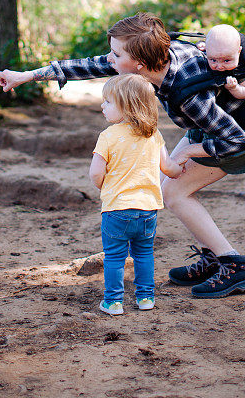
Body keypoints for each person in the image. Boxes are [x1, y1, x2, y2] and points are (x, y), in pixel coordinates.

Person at [0, 13, 245, 299]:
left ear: (139, 64)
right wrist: (28, 76)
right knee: (167, 187)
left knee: (175, 193)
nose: (109, 58)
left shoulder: (188, 95)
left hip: (239, 132)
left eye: (116, 54)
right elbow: (94, 64)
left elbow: (235, 141)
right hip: (209, 125)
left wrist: (188, 152)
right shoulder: (159, 57)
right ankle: (214, 256)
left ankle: (235, 266)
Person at [89, 73, 183, 316]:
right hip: (147, 210)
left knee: (114, 257)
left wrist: (104, 187)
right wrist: (182, 167)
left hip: (116, 209)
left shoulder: (107, 137)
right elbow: (169, 168)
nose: (103, 106)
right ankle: (145, 297)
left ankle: (113, 301)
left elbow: (95, 174)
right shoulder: (153, 135)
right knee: (143, 254)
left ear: (127, 106)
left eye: (108, 102)